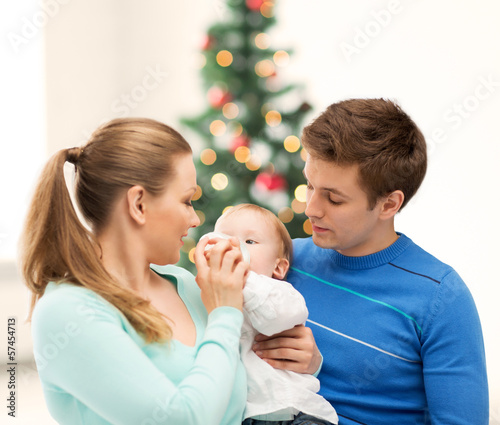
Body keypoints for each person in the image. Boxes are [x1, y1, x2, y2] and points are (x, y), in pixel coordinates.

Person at [253, 99, 489, 424]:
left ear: (388, 204)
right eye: (309, 185)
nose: (311, 208)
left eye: (334, 198)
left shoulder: (441, 298)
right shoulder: (281, 262)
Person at [20, 117, 250, 425]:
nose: (195, 220)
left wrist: (305, 360)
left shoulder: (188, 285)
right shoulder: (67, 313)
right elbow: (181, 420)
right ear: (138, 204)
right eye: (187, 201)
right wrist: (225, 316)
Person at [202, 203, 338, 425]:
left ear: (279, 268)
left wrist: (244, 279)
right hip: (245, 415)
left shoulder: (279, 292)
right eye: (225, 240)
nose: (234, 247)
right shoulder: (206, 295)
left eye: (250, 242)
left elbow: (279, 318)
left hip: (297, 410)